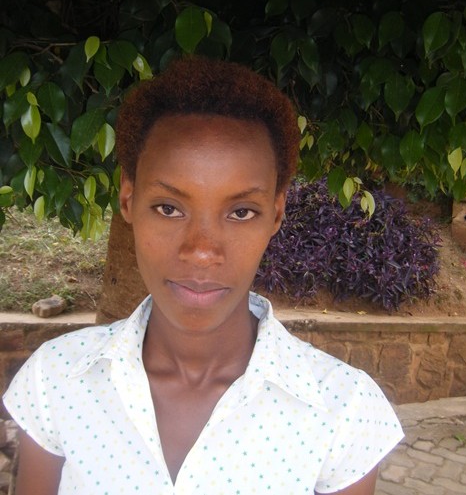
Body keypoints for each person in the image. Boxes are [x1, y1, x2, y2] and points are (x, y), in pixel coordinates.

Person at [3, 56, 404, 495]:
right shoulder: (57, 379)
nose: (201, 251)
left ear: (276, 214)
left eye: (241, 212)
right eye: (168, 208)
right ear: (128, 199)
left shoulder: (343, 409)